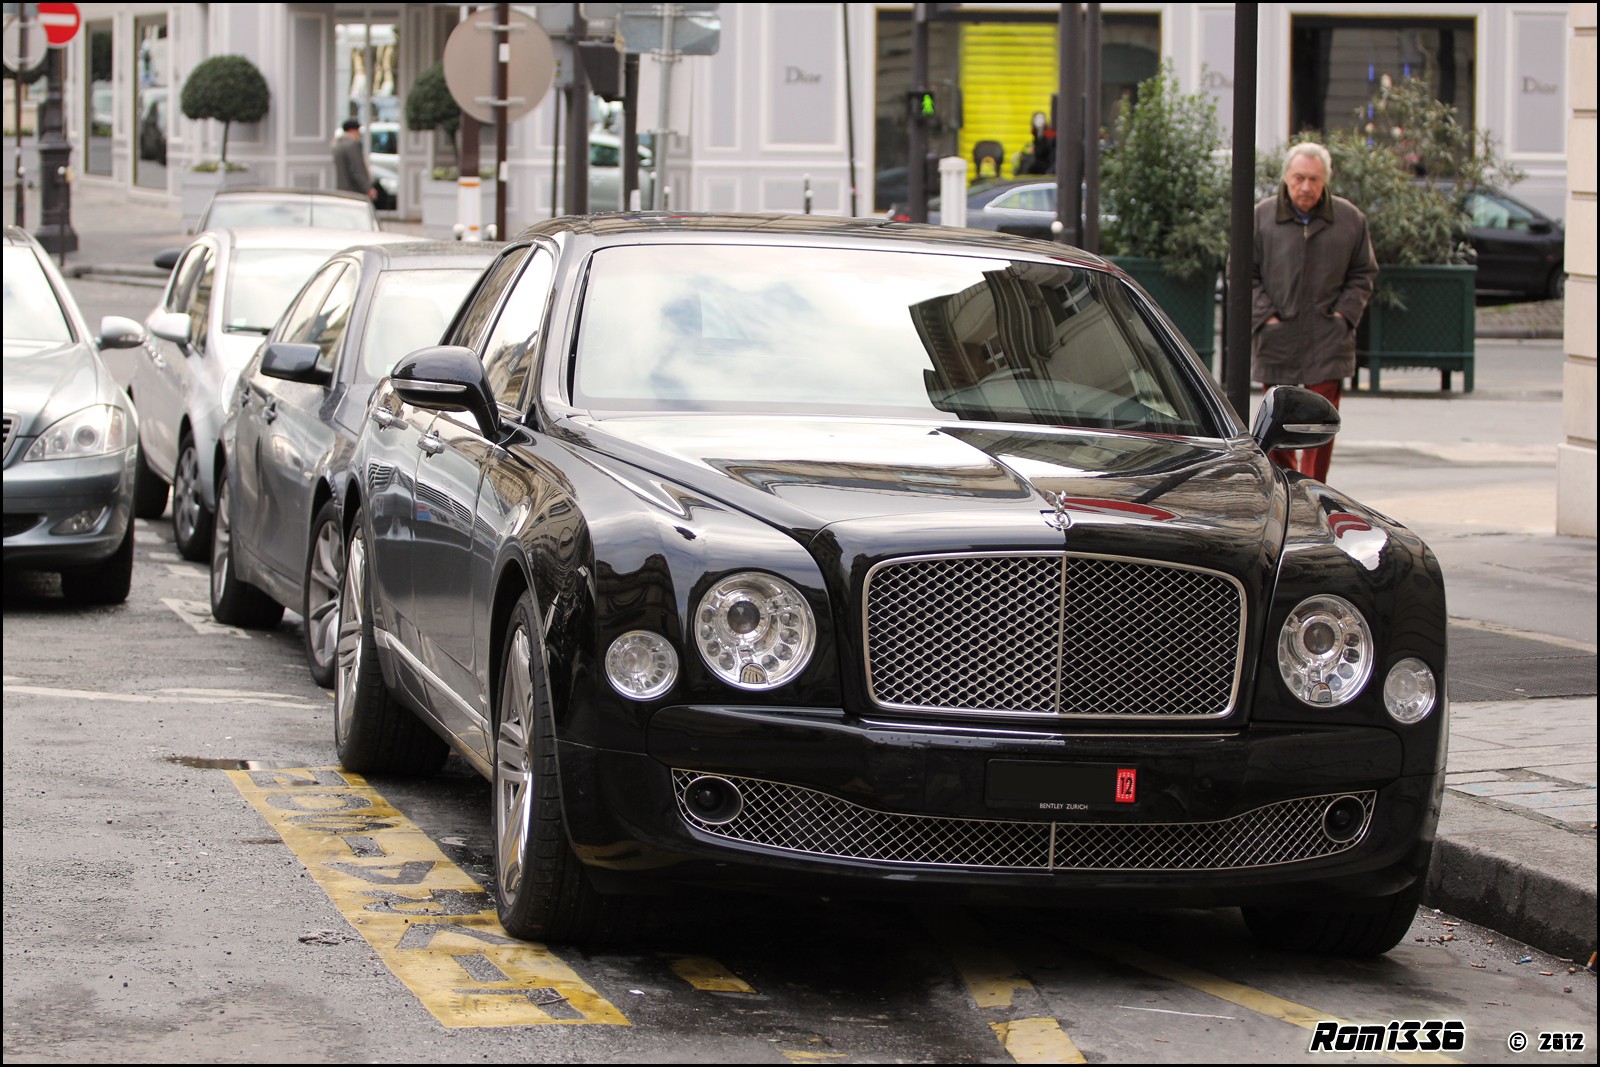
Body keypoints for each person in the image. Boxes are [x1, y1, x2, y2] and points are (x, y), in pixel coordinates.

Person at [1251, 141, 1377, 482]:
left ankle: (1316, 489)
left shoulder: (1349, 219)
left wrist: (1343, 316)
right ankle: (1291, 486)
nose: (1306, 187)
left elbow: (1363, 273)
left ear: (1325, 181)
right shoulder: (1261, 218)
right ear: (1286, 179)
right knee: (1278, 420)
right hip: (1279, 335)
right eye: (1299, 178)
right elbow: (1244, 274)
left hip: (1328, 335)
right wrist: (1267, 318)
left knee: (1320, 424)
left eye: (1314, 179)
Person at [332, 118, 377, 200]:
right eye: (358, 130)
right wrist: (367, 188)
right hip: (354, 190)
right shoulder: (351, 145)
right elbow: (357, 169)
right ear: (352, 130)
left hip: (342, 189)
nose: (359, 134)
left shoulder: (338, 144)